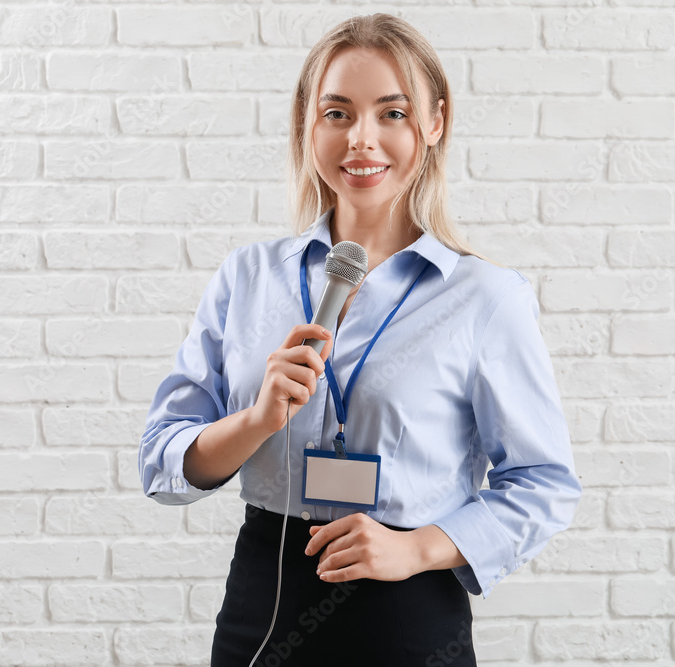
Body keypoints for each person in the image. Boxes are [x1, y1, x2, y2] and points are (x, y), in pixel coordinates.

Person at [139, 13, 581, 667]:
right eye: (338, 113)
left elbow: (544, 482)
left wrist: (418, 547)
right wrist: (256, 421)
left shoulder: (486, 298)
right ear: (306, 125)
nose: (362, 140)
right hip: (263, 605)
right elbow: (163, 462)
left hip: (408, 614)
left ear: (433, 123)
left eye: (392, 114)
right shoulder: (248, 277)